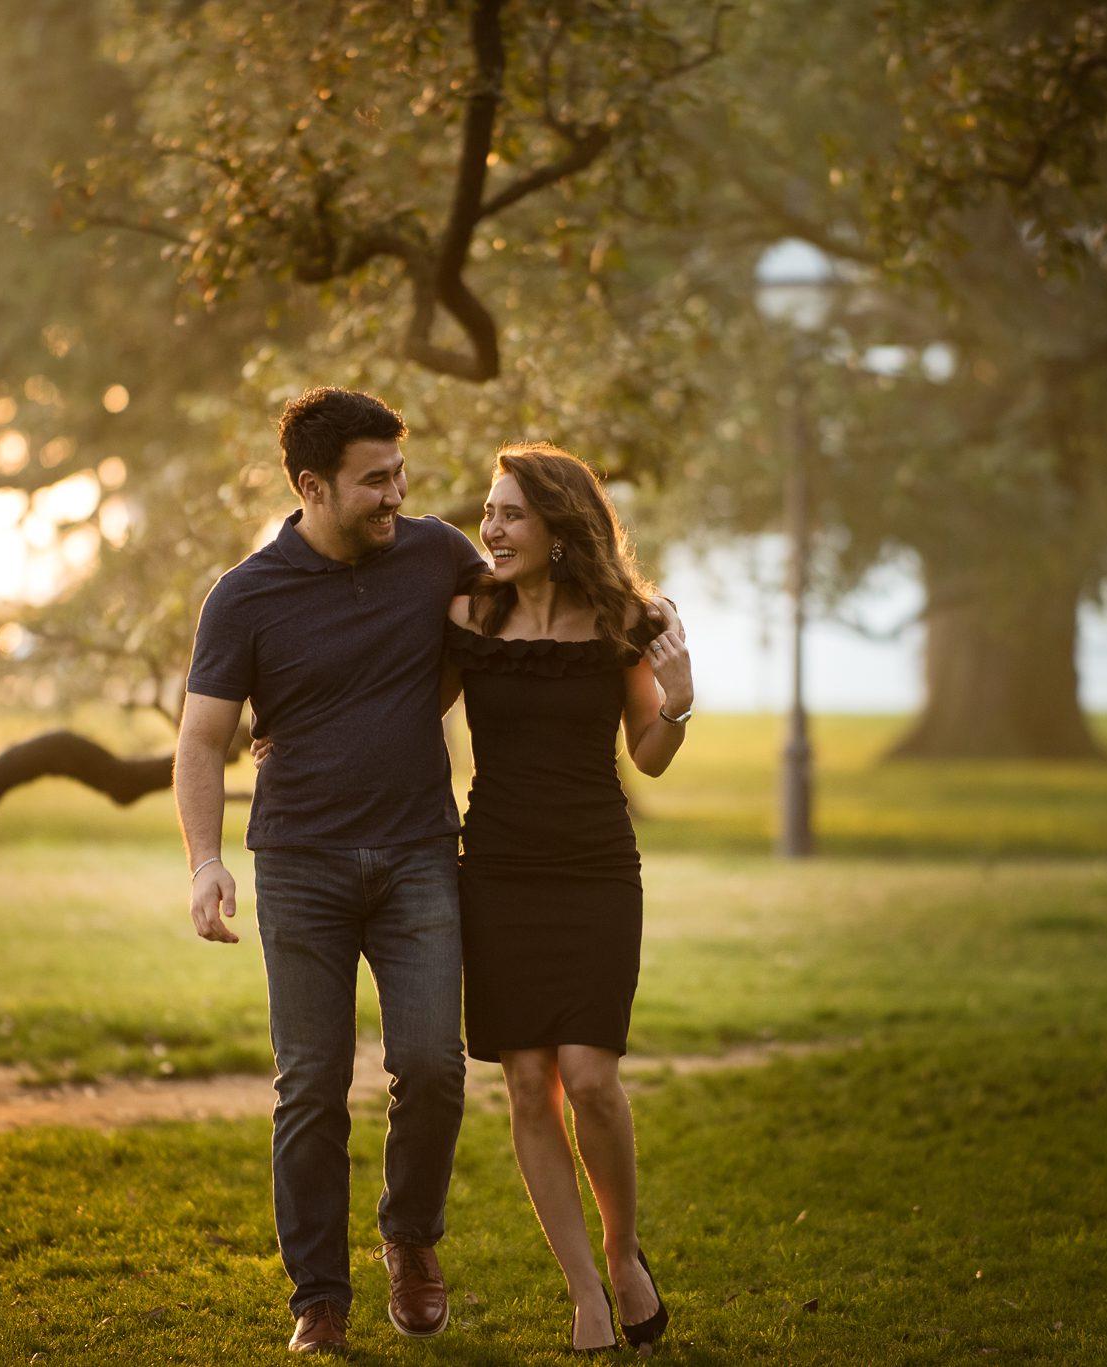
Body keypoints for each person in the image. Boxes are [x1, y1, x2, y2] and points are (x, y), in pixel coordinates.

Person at [173, 387, 486, 1355]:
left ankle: (409, 1236)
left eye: (399, 473)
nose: (398, 494)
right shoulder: (245, 595)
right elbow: (200, 738)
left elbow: (483, 635)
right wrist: (204, 862)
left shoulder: (436, 553)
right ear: (310, 486)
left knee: (432, 1066)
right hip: (301, 863)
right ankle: (318, 1295)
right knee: (309, 1084)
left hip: (419, 852)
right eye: (374, 480)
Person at [443, 442, 692, 1352]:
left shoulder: (626, 617)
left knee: (588, 1077)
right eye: (489, 511)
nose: (491, 527)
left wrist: (681, 699)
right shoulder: (467, 612)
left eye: (510, 513)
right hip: (498, 870)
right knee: (524, 1080)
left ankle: (625, 1255)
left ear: (558, 525)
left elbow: (649, 750)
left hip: (593, 870)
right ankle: (585, 1287)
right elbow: (398, 700)